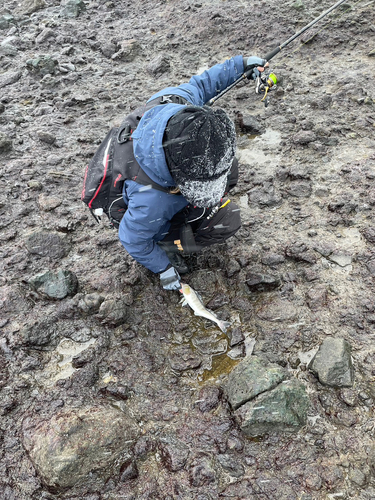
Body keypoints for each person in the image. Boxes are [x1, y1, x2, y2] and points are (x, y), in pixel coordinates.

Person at [118, 55, 267, 291]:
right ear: (179, 178)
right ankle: (166, 243)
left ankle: (188, 213)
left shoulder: (178, 107)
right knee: (227, 220)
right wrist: (162, 267)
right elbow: (132, 239)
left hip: (162, 183)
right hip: (144, 206)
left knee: (232, 172)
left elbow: (202, 84)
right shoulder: (151, 200)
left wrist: (241, 65)